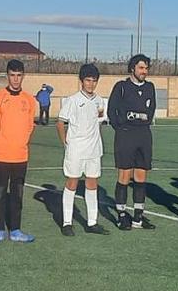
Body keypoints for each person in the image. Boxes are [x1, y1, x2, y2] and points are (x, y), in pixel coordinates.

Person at [0, 60, 37, 243]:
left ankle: (15, 230)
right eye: (12, 75)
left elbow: (30, 125)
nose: (15, 79)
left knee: (17, 193)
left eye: (19, 75)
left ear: (23, 76)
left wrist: (21, 142)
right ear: (7, 76)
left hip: (20, 155)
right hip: (0, 156)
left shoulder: (29, 100)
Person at [57, 64, 109, 236]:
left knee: (92, 183)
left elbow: (99, 122)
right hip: (76, 150)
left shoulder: (100, 101)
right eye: (88, 80)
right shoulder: (72, 100)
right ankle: (67, 223)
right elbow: (60, 122)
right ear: (81, 81)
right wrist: (65, 142)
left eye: (94, 81)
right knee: (72, 182)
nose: (91, 84)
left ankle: (92, 222)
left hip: (94, 150)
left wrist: (98, 141)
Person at [108, 54, 157, 230]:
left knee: (141, 177)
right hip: (125, 136)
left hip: (143, 135)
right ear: (132, 69)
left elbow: (151, 111)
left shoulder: (150, 87)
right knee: (124, 175)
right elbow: (111, 111)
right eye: (141, 68)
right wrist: (121, 129)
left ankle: (138, 217)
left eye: (146, 68)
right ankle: (122, 215)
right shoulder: (121, 87)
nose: (144, 71)